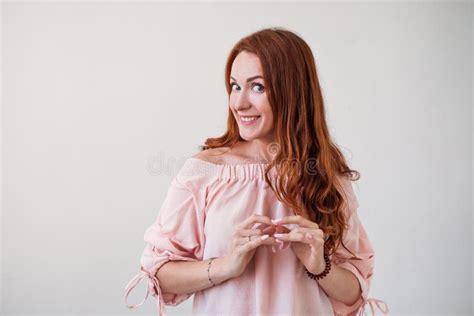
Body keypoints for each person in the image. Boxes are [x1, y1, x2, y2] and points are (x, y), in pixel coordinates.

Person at [124, 27, 389, 316]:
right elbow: (158, 272)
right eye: (235, 86)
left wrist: (319, 265)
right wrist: (227, 265)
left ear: (292, 91)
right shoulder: (205, 172)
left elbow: (354, 289)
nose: (239, 103)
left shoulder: (324, 175)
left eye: (257, 87)